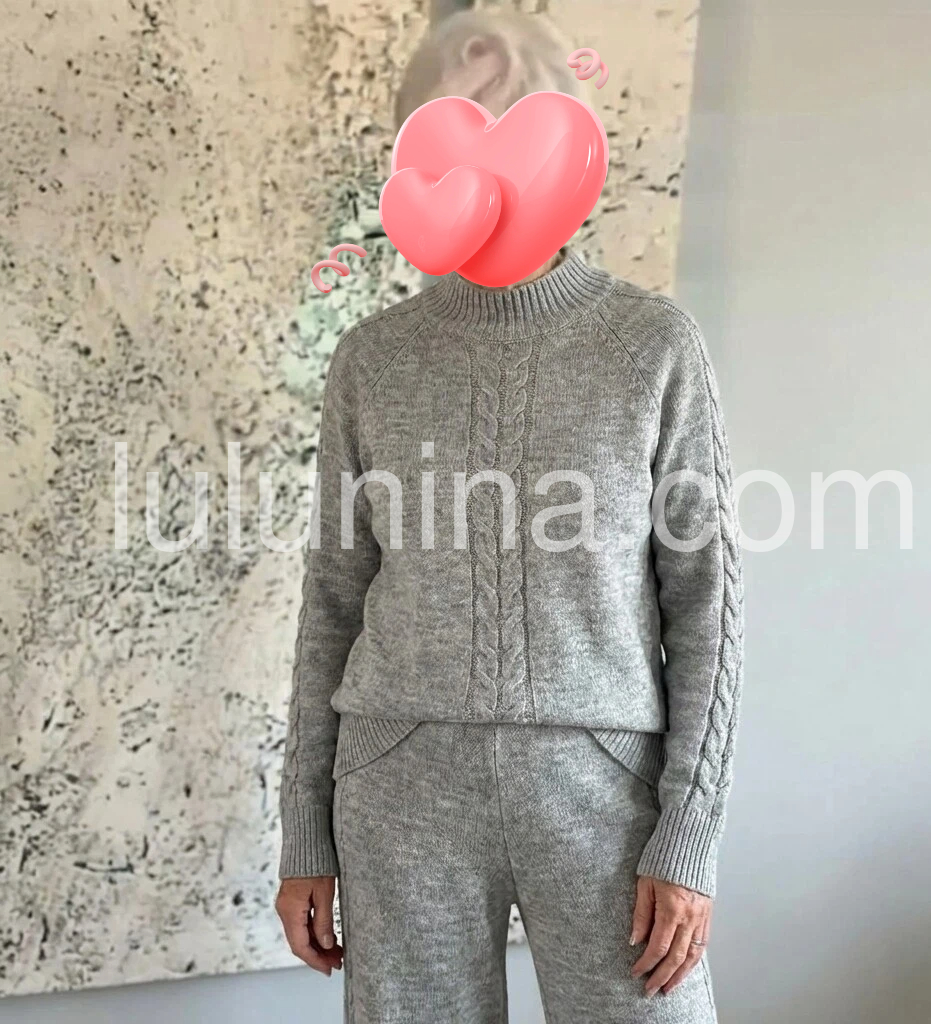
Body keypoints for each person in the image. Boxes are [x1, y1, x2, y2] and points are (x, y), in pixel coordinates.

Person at [275, 11, 744, 1024]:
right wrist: (304, 828)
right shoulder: (374, 359)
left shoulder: (650, 347)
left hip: (602, 785)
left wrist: (688, 835)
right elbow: (334, 599)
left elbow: (705, 605)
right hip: (400, 780)